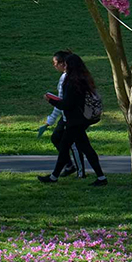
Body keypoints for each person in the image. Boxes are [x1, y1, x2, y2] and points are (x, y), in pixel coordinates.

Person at [38, 54, 107, 186]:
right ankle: (101, 177)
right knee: (85, 148)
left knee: (66, 148)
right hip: (81, 120)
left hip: (73, 121)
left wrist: (51, 101)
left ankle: (54, 177)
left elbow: (66, 105)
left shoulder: (70, 82)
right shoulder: (83, 79)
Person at [37, 50, 85, 178]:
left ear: (63, 63)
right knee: (57, 138)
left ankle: (79, 172)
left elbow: (62, 102)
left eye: (55, 63)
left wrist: (51, 106)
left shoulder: (67, 78)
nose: (54, 66)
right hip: (66, 116)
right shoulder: (66, 77)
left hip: (71, 117)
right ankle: (69, 167)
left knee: (74, 144)